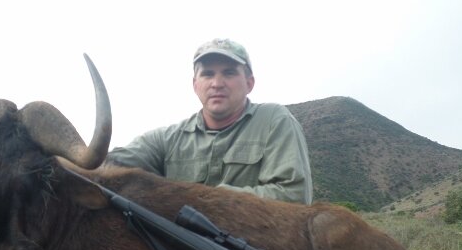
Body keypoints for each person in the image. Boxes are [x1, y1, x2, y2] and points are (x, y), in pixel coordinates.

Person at [107, 38, 313, 204]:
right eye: (207, 74)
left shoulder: (274, 120)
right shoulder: (167, 139)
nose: (217, 83)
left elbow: (294, 196)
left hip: (255, 248)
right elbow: (107, 164)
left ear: (249, 83)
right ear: (195, 85)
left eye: (229, 73)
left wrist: (206, 200)